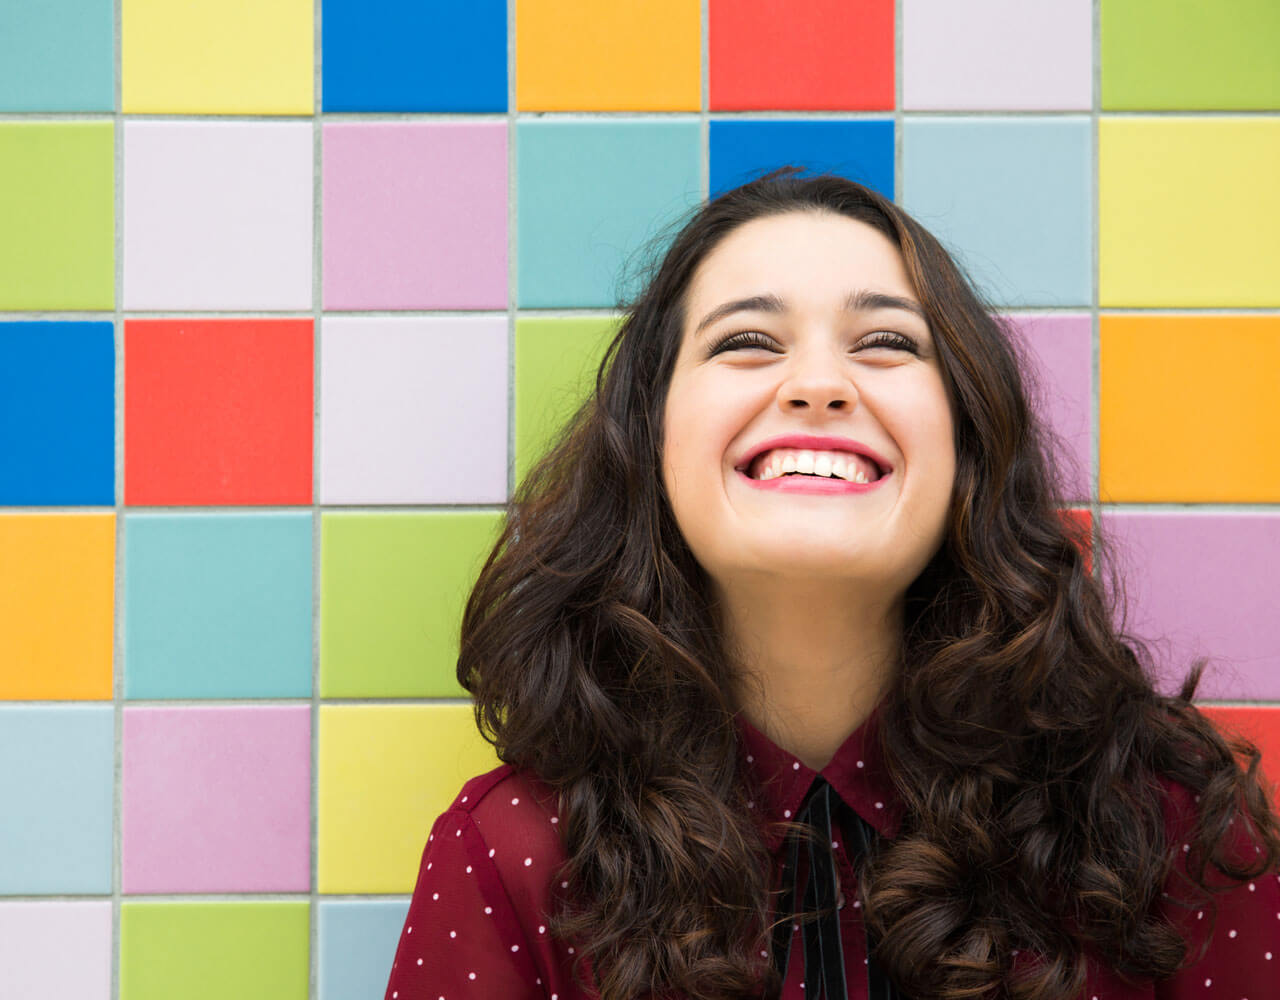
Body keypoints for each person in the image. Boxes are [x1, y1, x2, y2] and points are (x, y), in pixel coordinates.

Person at [384, 172, 1280, 1000]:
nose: (817, 385)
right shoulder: (508, 852)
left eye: (888, 341)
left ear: (970, 441)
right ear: (651, 442)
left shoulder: (1171, 827)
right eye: (744, 341)